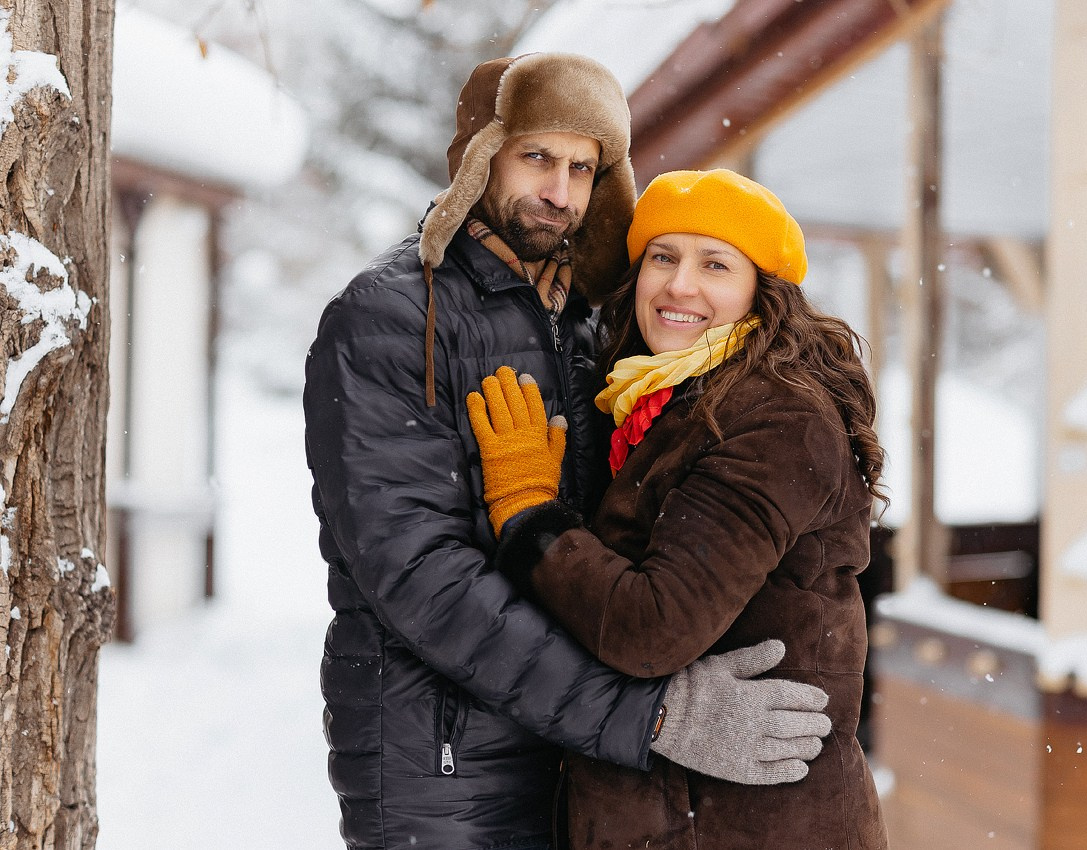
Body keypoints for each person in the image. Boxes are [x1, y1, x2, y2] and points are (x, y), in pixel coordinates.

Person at [304, 56, 832, 850]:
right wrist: (641, 714)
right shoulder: (388, 321)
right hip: (445, 767)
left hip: (580, 761)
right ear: (483, 155)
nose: (560, 192)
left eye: (583, 168)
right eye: (537, 158)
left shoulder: (590, 325)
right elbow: (421, 577)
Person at [466, 168, 891, 849]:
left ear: (762, 290)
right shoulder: (660, 401)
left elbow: (653, 627)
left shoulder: (774, 415)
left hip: (747, 823)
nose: (679, 285)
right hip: (676, 810)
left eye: (715, 264)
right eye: (662, 257)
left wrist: (527, 511)